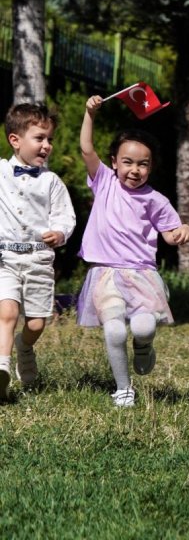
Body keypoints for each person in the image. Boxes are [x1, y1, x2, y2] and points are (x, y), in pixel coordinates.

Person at [77, 95, 189, 408]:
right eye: (127, 162)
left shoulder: (155, 200)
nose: (134, 169)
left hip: (141, 274)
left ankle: (144, 346)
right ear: (114, 162)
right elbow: (87, 148)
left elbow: (170, 233)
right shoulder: (103, 182)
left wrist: (181, 232)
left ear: (151, 167)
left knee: (143, 326)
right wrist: (90, 114)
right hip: (105, 274)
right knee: (114, 330)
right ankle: (124, 388)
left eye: (143, 164)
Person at [0, 103, 76, 397]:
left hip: (38, 260)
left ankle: (25, 345)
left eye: (50, 139)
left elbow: (65, 216)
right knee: (6, 311)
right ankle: (2, 368)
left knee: (35, 322)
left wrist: (59, 232)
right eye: (40, 138)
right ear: (15, 140)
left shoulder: (51, 182)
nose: (47, 145)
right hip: (5, 257)